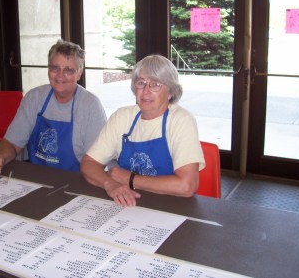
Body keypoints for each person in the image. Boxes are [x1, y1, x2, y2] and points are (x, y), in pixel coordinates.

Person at [80, 54, 205, 207]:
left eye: (156, 84)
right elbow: (89, 163)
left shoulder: (181, 120)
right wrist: (110, 184)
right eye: (141, 83)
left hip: (172, 206)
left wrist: (129, 179)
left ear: (171, 92)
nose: (146, 91)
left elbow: (186, 186)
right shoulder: (122, 117)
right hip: (128, 204)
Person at [0, 39, 107, 174]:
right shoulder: (34, 98)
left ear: (79, 73)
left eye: (68, 70)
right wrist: (0, 157)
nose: (60, 75)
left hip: (77, 180)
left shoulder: (91, 106)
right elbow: (12, 142)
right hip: (37, 176)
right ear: (48, 69)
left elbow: (97, 162)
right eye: (55, 68)